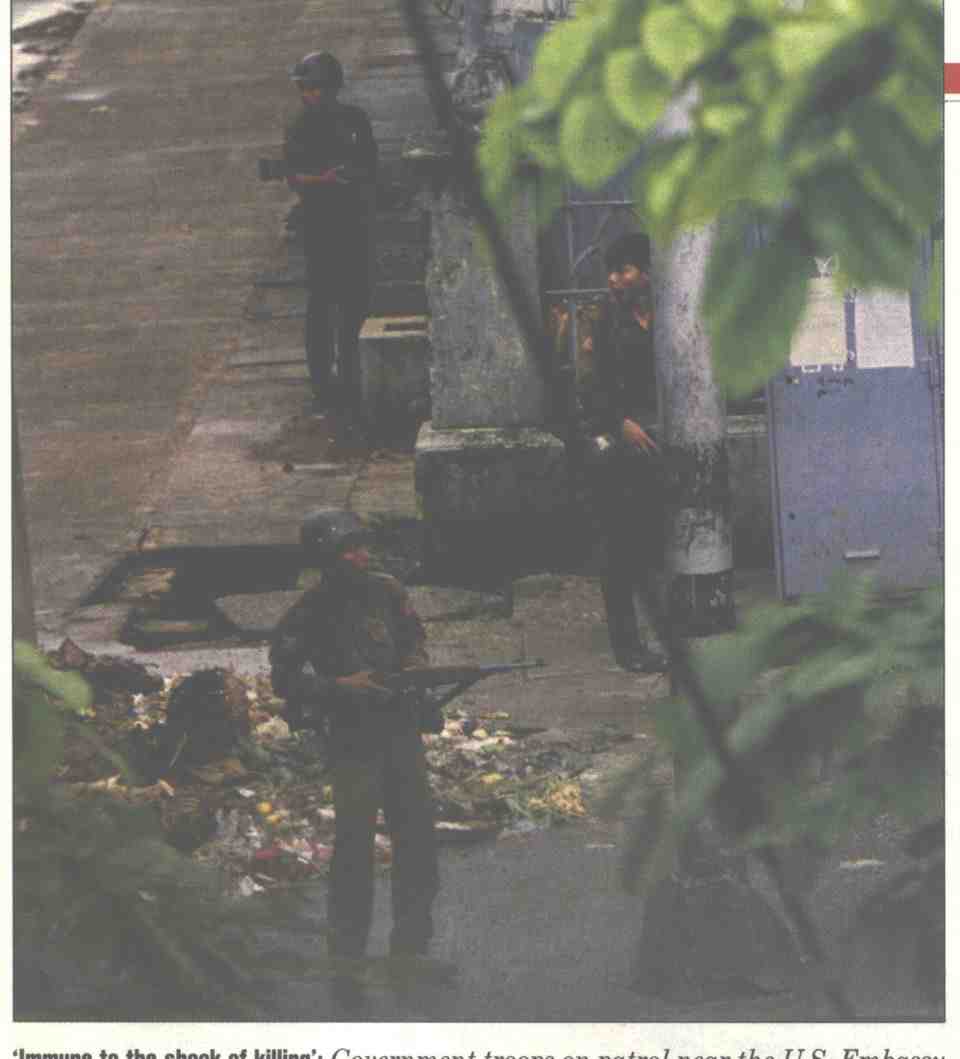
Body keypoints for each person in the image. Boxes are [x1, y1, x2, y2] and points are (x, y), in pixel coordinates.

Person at [269, 510, 439, 968]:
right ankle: (347, 956)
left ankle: (412, 949)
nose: (362, 555)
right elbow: (284, 679)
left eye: (364, 545)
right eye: (350, 549)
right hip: (352, 739)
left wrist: (414, 668)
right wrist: (340, 687)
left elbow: (414, 638)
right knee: (354, 849)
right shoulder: (307, 612)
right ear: (328, 560)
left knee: (418, 840)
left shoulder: (388, 591)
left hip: (401, 730)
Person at [575, 232, 668, 674]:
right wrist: (620, 423)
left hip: (652, 443)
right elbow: (589, 385)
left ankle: (661, 635)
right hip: (612, 444)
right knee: (618, 549)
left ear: (645, 273)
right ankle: (627, 646)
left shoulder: (665, 313)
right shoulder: (599, 317)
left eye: (625, 270)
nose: (615, 280)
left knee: (651, 544)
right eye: (611, 271)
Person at [284, 53, 378, 422]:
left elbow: (371, 165)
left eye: (318, 88)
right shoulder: (300, 126)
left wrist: (358, 181)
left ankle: (353, 378)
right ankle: (323, 384)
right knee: (322, 302)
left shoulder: (354, 120)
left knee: (355, 300)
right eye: (307, 89)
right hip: (319, 221)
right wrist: (323, 180)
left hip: (352, 219)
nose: (313, 95)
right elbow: (293, 176)